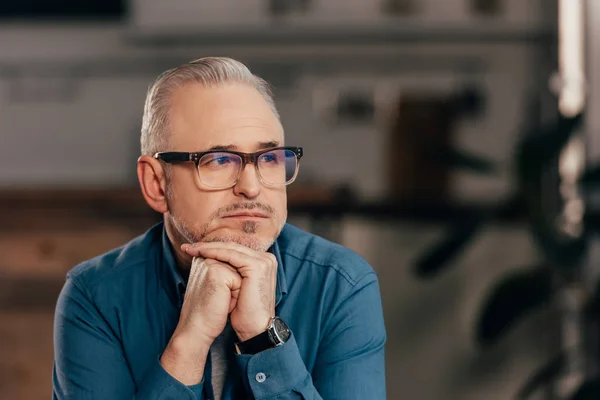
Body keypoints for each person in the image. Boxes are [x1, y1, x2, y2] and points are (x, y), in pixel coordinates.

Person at [52, 57, 386, 399]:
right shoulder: (95, 297)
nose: (251, 187)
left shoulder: (342, 285)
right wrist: (189, 341)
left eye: (269, 158)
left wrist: (263, 338)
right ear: (156, 183)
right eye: (220, 160)